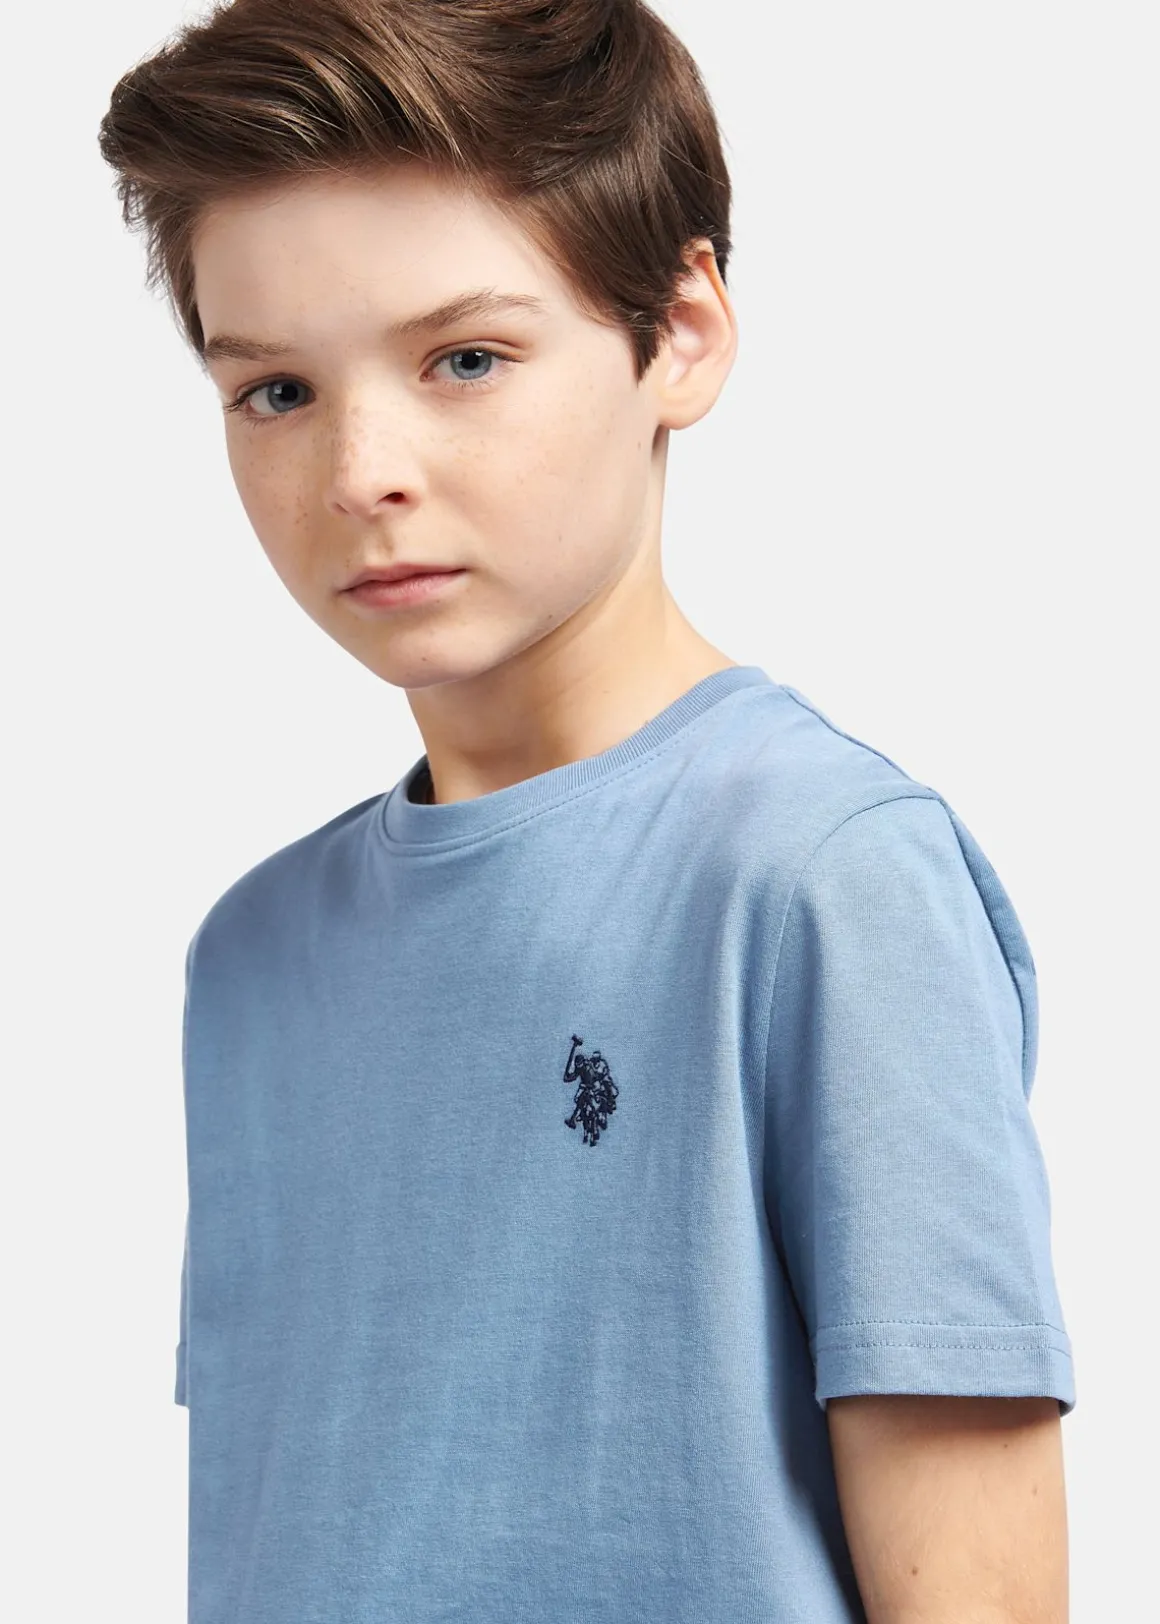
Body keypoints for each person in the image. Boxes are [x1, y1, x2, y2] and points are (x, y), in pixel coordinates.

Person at [98, 3, 1076, 1620]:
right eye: (274, 390)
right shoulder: (252, 956)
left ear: (678, 332)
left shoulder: (820, 878)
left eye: (464, 359)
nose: (359, 471)